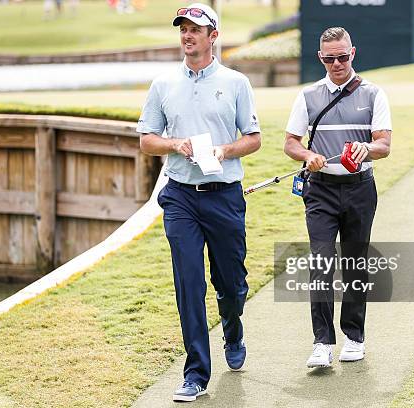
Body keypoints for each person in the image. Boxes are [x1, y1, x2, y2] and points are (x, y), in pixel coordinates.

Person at [137, 3, 261, 402]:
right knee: (189, 284)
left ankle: (232, 325)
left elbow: (253, 138)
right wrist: (175, 144)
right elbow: (146, 140)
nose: (188, 36)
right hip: (180, 198)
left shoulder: (236, 82)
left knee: (231, 283)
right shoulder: (163, 85)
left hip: (224, 196)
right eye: (183, 30)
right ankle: (195, 375)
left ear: (213, 36)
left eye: (196, 29)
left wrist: (225, 151)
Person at [283, 27, 391, 368]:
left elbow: (384, 145)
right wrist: (306, 156)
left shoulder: (374, 94)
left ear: (353, 53)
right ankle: (322, 342)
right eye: (330, 59)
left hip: (360, 187)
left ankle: (354, 337)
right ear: (321, 58)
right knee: (321, 262)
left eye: (343, 57)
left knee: (354, 262)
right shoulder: (308, 96)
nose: (337, 64)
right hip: (320, 190)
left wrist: (366, 147)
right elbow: (290, 143)